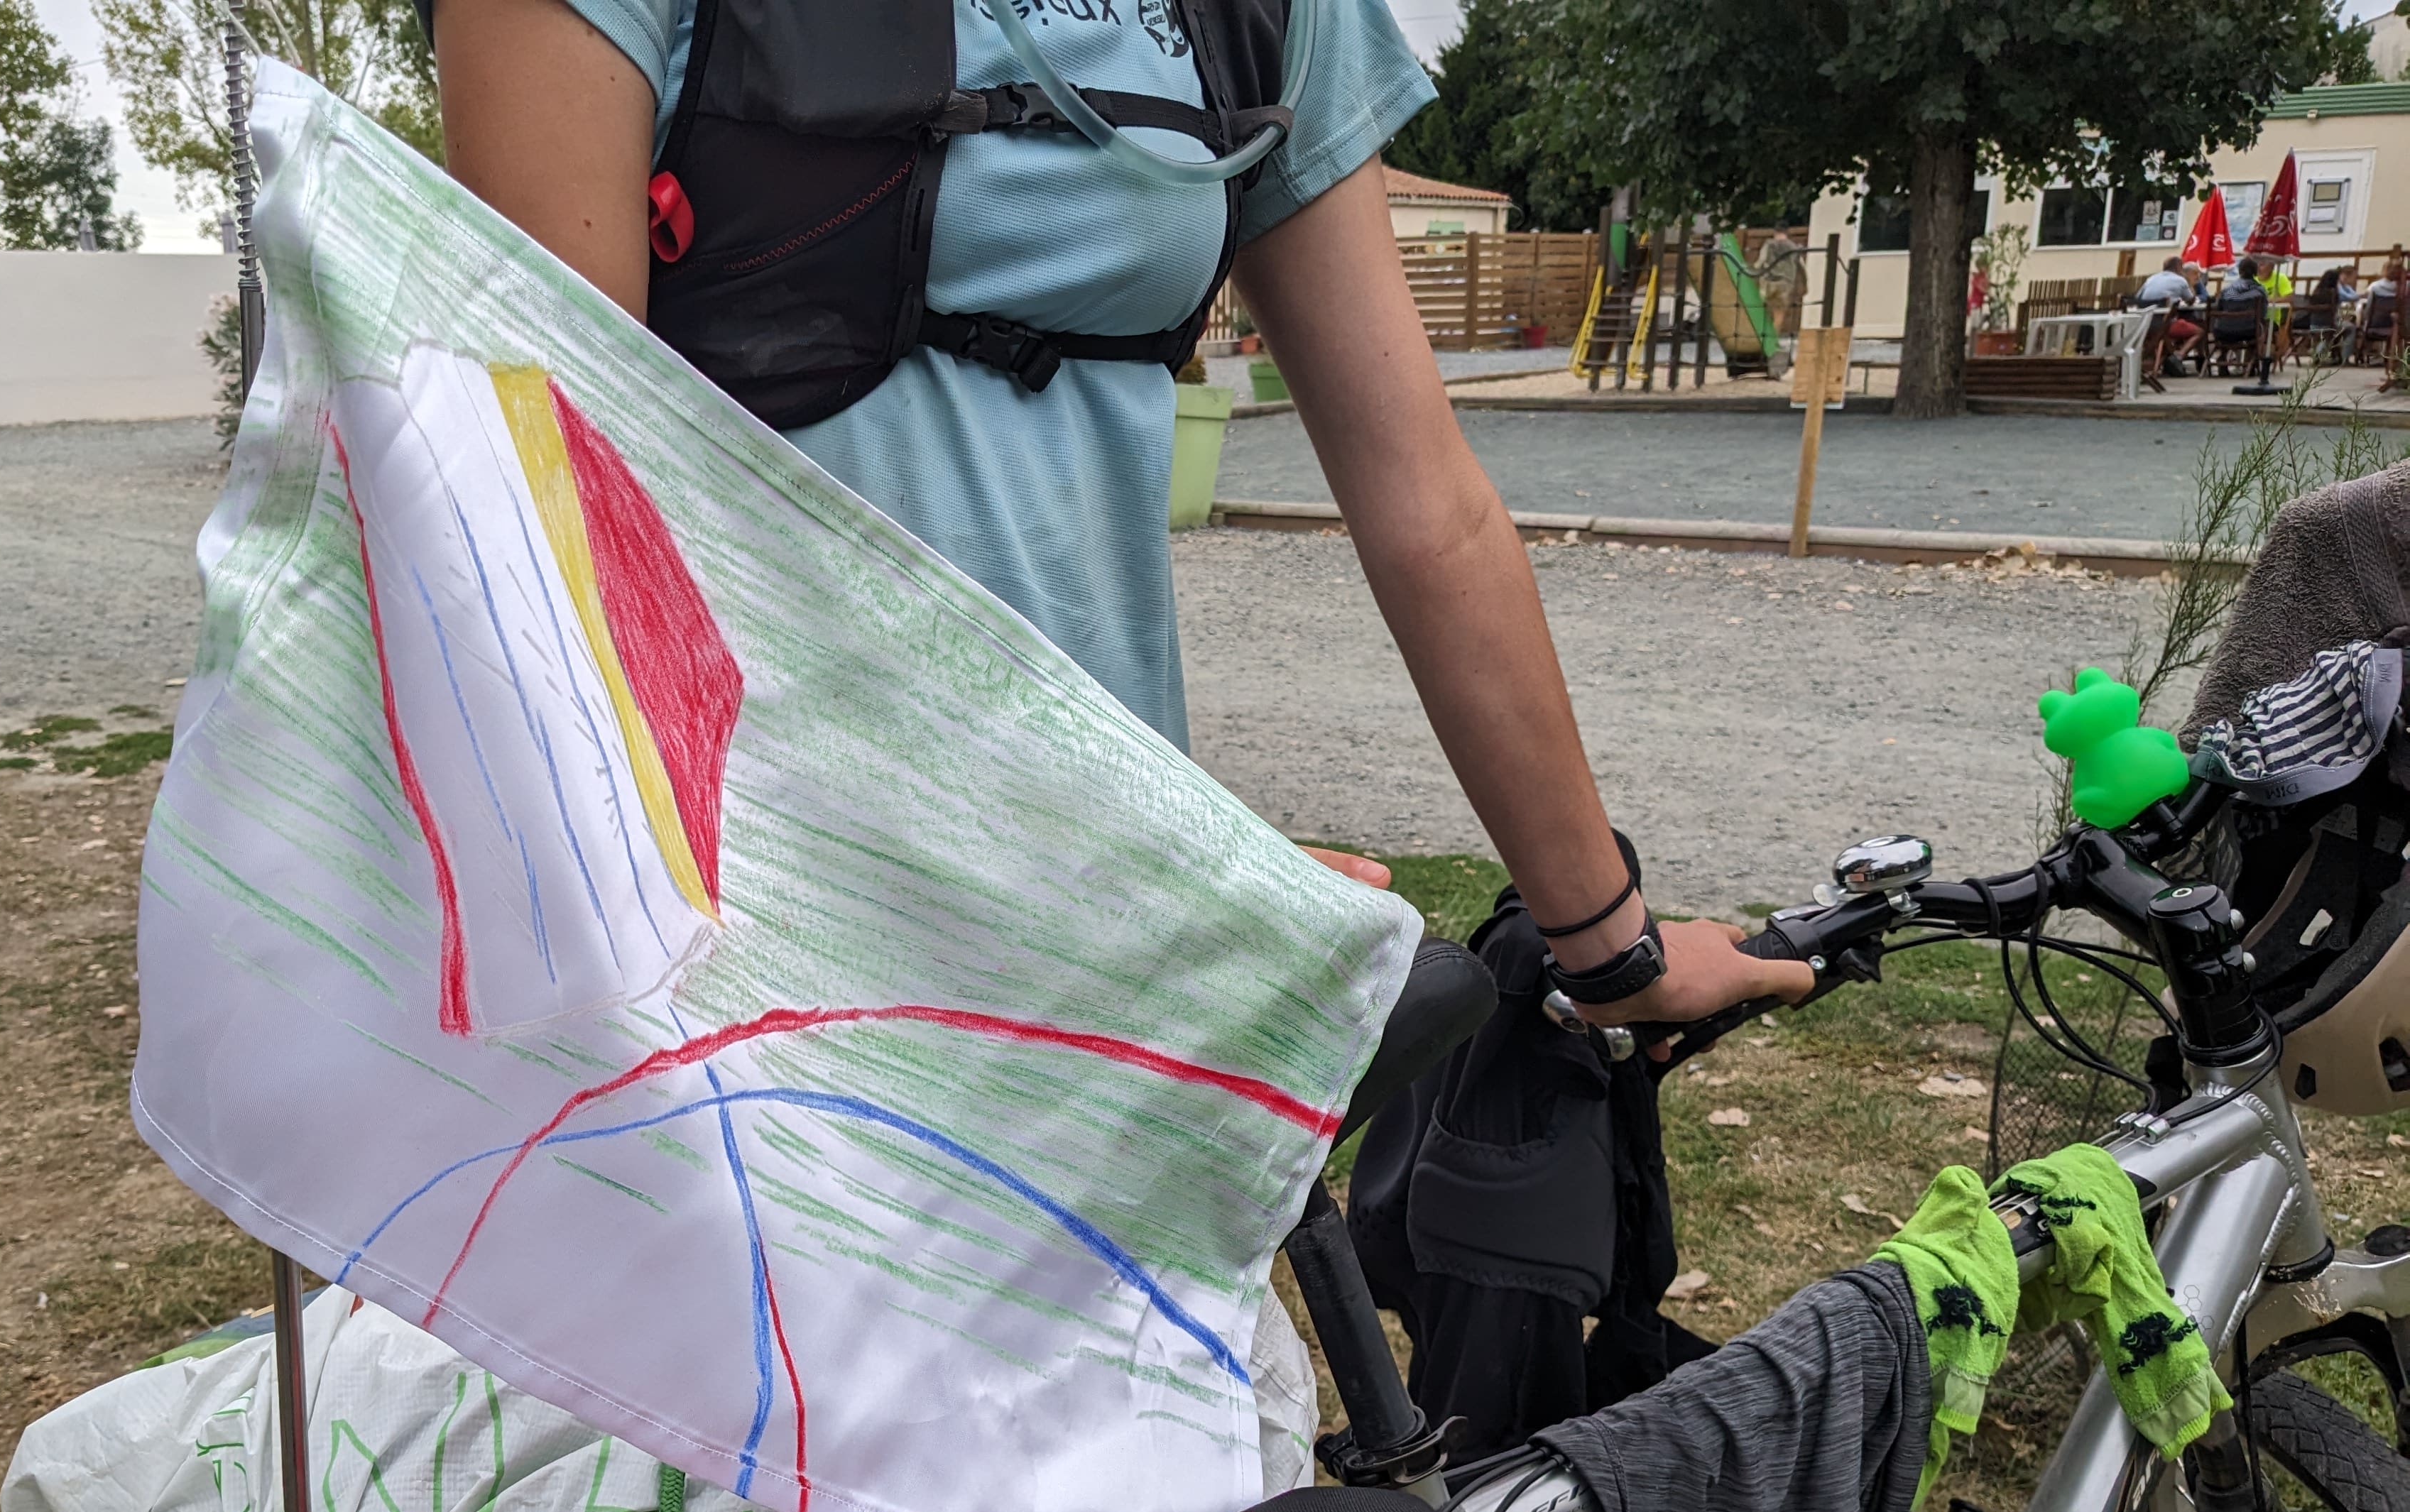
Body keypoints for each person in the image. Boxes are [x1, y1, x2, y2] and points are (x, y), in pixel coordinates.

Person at [422, 0, 1810, 1038]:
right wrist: (1053, 878)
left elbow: (1426, 501)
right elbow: (538, 514)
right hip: (735, 958)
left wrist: (1608, 945)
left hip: (1106, 975)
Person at [2134, 255, 2201, 376]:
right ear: (2179, 268)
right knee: (2199, 331)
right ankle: (2178, 356)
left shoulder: (2151, 279)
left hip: (2143, 325)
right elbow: (2191, 300)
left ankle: (2157, 362)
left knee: (2164, 338)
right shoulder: (2180, 280)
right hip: (2164, 326)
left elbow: (2138, 298)